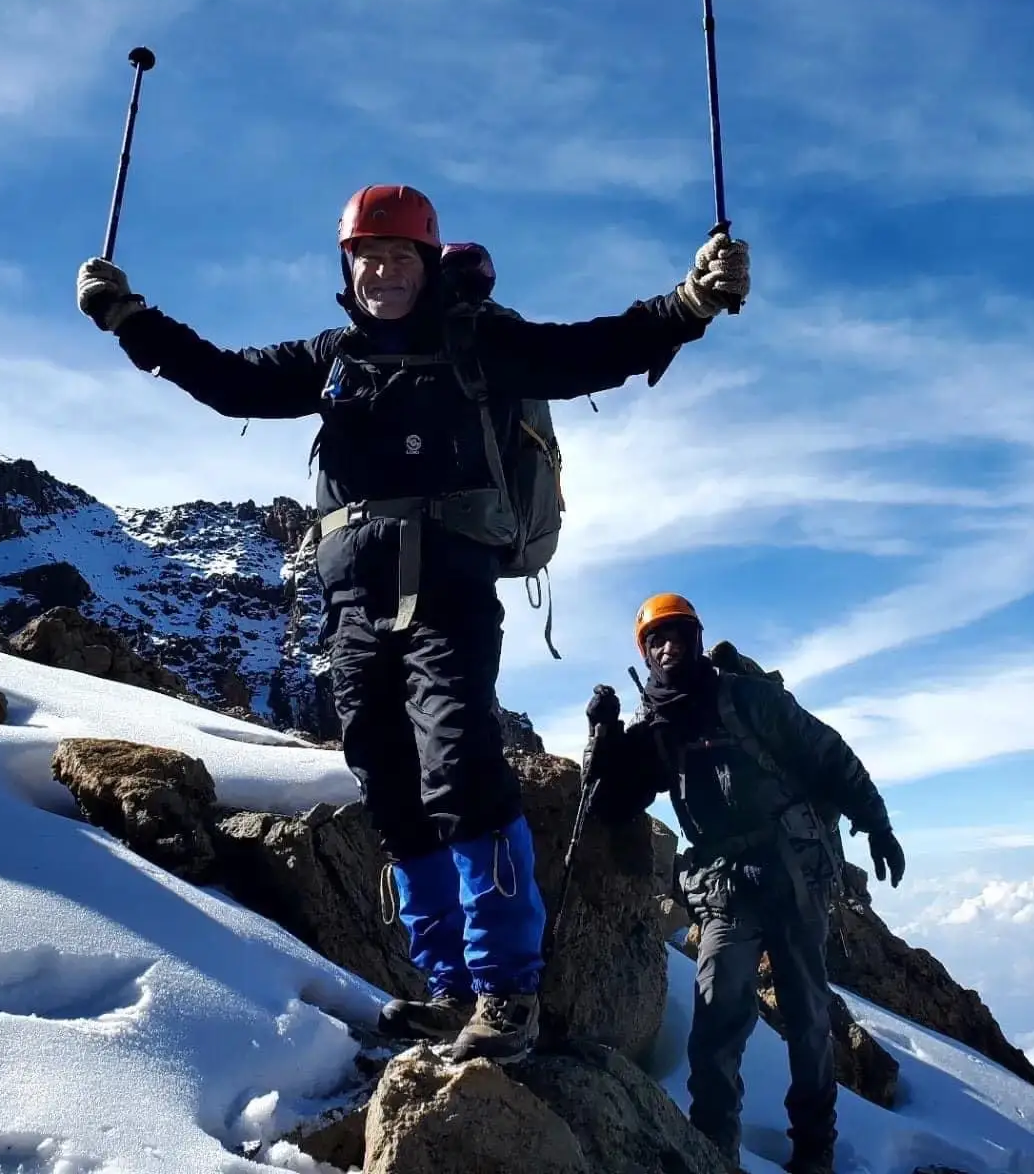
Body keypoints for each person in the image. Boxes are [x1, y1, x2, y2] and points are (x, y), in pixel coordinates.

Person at [75, 185, 749, 1063]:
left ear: (428, 268)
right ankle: (449, 989)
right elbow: (225, 379)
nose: (383, 274)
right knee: (390, 788)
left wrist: (690, 304)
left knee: (462, 771)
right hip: (353, 608)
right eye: (367, 259)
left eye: (399, 259)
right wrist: (130, 318)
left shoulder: (479, 345)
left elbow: (593, 352)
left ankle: (508, 992)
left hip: (449, 597)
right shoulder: (330, 356)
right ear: (347, 269)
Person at [585, 593, 905, 1174]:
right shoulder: (659, 728)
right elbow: (611, 803)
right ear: (646, 654)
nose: (667, 646)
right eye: (655, 640)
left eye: (677, 634)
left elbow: (828, 753)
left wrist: (876, 823)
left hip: (792, 881)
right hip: (726, 893)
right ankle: (712, 1153)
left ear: (697, 639)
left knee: (809, 1023)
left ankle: (815, 1153)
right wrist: (602, 734)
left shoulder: (747, 698)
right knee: (714, 1028)